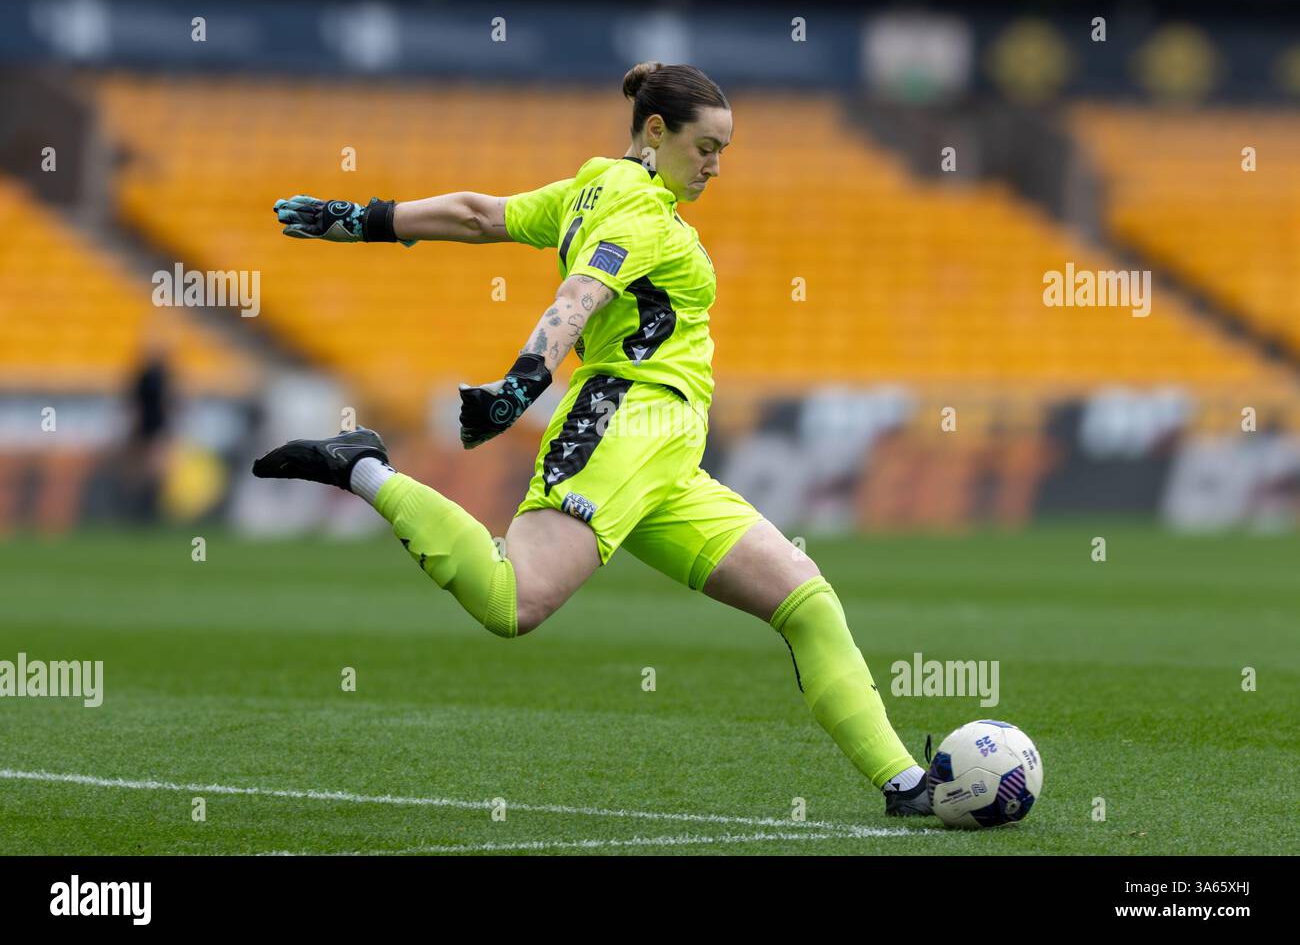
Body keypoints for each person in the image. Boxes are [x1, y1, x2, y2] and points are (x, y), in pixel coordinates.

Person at [254, 62, 932, 817]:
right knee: (515, 601)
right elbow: (578, 298)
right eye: (706, 146)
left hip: (666, 461)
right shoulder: (639, 212)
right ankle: (365, 469)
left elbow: (482, 215)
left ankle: (906, 785)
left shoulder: (593, 187)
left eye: (725, 150)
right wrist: (522, 383)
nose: (715, 164)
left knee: (806, 600)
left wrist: (362, 219)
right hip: (624, 423)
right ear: (654, 131)